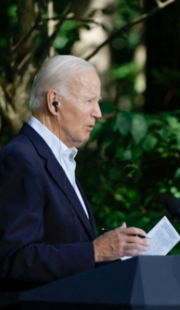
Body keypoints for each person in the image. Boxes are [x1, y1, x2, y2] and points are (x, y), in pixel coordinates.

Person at [0, 55, 149, 309]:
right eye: (89, 100)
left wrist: (117, 251)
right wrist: (96, 251)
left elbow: (66, 245)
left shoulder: (58, 158)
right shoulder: (21, 159)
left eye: (98, 102)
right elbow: (13, 258)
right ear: (54, 102)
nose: (98, 113)